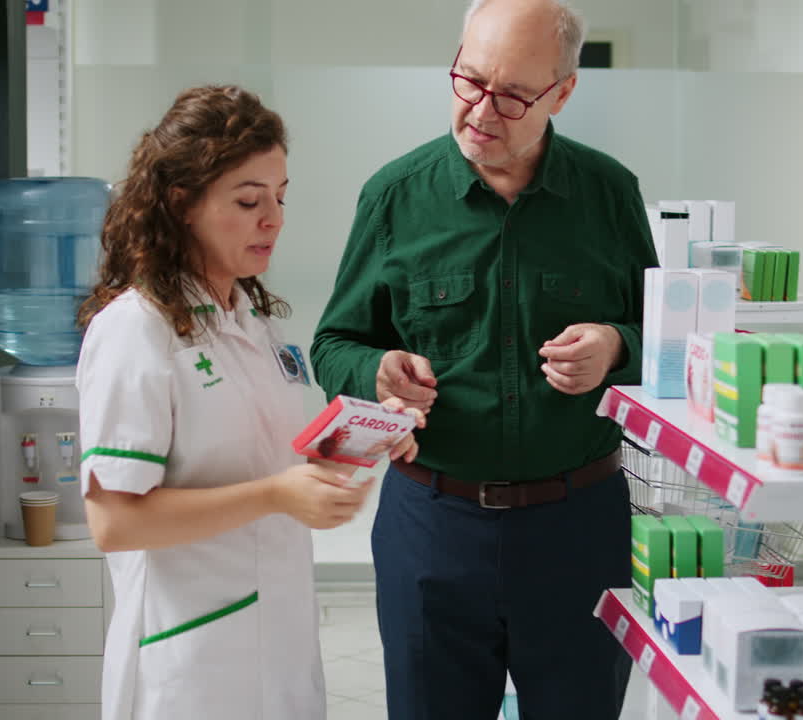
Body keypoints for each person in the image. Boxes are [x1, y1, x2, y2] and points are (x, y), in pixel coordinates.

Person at [310, 1, 659, 718]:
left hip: (578, 528)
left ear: (563, 91)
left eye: (512, 95)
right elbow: (334, 344)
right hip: (432, 526)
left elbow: (667, 339)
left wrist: (616, 347)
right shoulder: (394, 196)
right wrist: (377, 371)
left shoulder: (609, 193)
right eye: (469, 80)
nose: (479, 110)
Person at [74, 85, 423, 720]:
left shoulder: (253, 323)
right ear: (181, 202)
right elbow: (114, 522)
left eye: (280, 197)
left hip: (278, 648)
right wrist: (276, 497)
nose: (274, 219)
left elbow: (281, 465)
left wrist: (372, 432)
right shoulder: (135, 329)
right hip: (191, 670)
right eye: (248, 200)